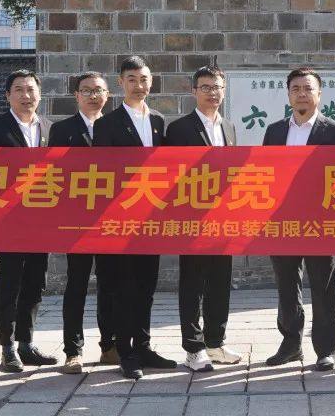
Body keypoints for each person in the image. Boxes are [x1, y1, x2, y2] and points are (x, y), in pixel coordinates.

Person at [93, 56, 178, 380]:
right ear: (121, 83)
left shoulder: (158, 120)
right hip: (121, 219)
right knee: (123, 287)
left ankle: (144, 345)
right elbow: (102, 174)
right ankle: (125, 351)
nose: (138, 86)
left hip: (151, 218)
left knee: (146, 286)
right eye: (132, 80)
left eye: (143, 79)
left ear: (151, 82)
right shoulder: (107, 124)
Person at [263, 67, 335, 371]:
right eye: (296, 88)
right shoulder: (274, 131)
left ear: (319, 94)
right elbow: (266, 175)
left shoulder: (334, 131)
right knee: (287, 285)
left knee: (325, 287)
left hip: (321, 222)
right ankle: (290, 344)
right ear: (288, 94)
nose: (302, 93)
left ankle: (326, 349)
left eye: (308, 88)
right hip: (283, 221)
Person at [0, 69, 57, 372]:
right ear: (8, 95)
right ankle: (7, 347)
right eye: (19, 90)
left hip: (42, 220)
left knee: (36, 283)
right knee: (10, 283)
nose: (26, 96)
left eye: (31, 89)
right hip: (8, 222)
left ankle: (27, 342)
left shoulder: (51, 128)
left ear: (39, 93)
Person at [166, 66, 243, 373]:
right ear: (193, 91)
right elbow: (171, 175)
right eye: (206, 87)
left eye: (217, 87)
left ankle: (215, 342)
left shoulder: (229, 126)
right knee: (192, 284)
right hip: (192, 219)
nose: (213, 92)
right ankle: (193, 347)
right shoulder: (180, 128)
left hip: (222, 220)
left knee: (220, 283)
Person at [54, 72, 119, 374]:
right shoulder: (62, 129)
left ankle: (109, 345)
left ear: (108, 94)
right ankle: (73, 351)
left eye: (99, 90)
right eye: (86, 91)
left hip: (111, 219)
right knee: (77, 284)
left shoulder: (118, 127)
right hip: (76, 221)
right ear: (76, 96)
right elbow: (54, 173)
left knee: (109, 284)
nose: (93, 96)